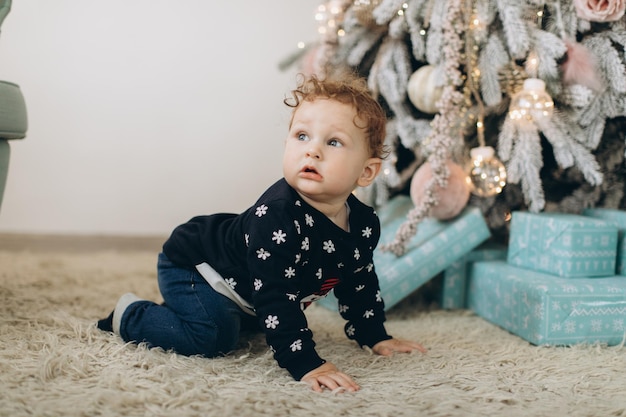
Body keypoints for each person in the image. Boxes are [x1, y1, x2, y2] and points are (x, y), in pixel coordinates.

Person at [97, 72, 426, 392]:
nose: (312, 150)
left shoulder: (363, 225)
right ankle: (131, 315)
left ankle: (195, 310)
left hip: (247, 286)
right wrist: (305, 363)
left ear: (367, 172)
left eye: (334, 141)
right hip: (196, 264)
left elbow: (359, 284)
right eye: (302, 136)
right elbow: (275, 293)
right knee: (216, 335)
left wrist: (374, 334)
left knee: (257, 322)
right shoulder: (278, 216)